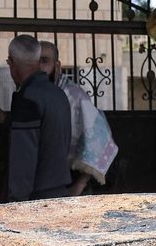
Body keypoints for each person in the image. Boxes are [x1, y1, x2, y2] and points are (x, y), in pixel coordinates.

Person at [0, 34, 73, 202]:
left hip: (36, 199)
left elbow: (23, 157)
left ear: (11, 64)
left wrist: (17, 201)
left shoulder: (28, 98)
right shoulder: (58, 94)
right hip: (59, 192)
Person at [38, 40, 119, 196]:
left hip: (72, 179)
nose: (40, 67)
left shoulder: (75, 96)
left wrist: (79, 185)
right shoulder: (36, 95)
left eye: (45, 61)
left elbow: (99, 141)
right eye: (35, 62)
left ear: (57, 66)